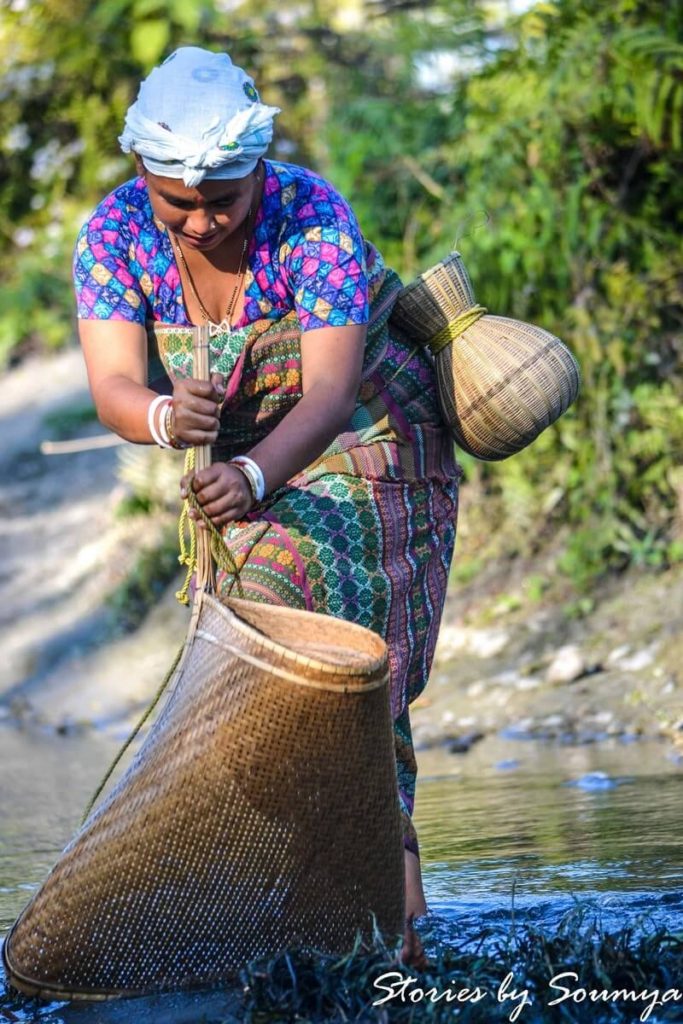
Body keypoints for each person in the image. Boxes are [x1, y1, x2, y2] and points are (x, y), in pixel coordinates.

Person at [73, 46, 460, 967]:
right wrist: (167, 415)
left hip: (371, 442)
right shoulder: (112, 235)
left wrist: (248, 480)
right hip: (249, 454)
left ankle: (396, 922)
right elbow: (114, 386)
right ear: (142, 175)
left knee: (339, 656)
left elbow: (326, 396)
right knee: (262, 668)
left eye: (225, 200)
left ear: (258, 175)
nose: (203, 220)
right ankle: (327, 910)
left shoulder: (311, 214)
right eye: (180, 204)